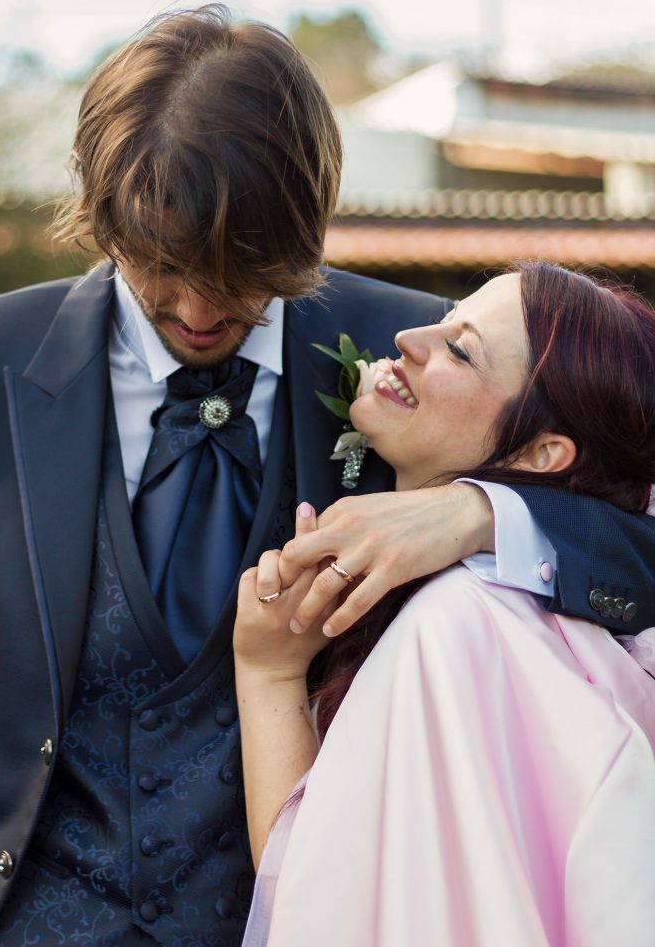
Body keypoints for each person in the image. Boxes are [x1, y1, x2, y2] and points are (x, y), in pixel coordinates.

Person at [0, 4, 653, 947]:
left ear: (306, 223)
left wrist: (478, 515)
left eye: (240, 269)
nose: (198, 307)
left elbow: (636, 542)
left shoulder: (417, 364)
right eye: (159, 263)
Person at [235, 263, 655, 947]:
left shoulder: (457, 630)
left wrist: (267, 675)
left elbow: (323, 910)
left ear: (543, 452)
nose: (404, 337)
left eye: (460, 350)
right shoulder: (545, 623)